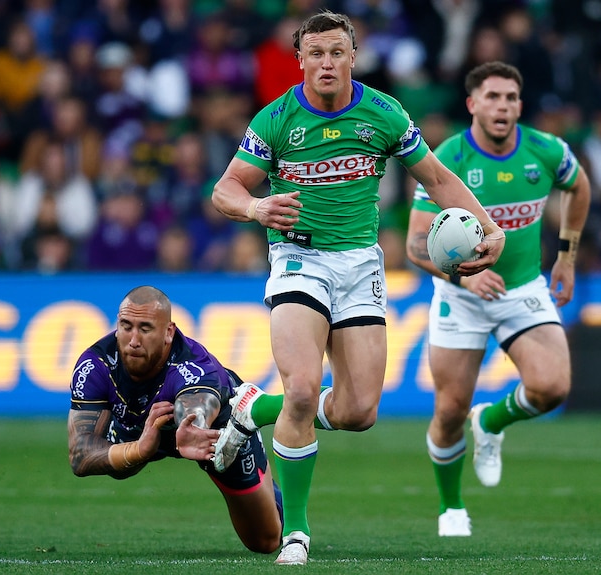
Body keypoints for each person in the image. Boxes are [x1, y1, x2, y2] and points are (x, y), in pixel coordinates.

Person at [210, 11, 505, 565]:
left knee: (358, 411)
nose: (326, 63)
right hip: (299, 259)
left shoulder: (383, 113)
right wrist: (255, 207)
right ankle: (294, 532)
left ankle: (251, 406)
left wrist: (489, 225)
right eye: (315, 53)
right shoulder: (276, 120)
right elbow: (224, 189)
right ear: (300, 58)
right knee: (303, 388)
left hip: (360, 266)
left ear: (353, 56)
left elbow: (438, 179)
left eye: (336, 53)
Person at [405, 61, 591, 537]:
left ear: (520, 105)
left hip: (522, 287)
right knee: (448, 412)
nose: (502, 106)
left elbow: (579, 186)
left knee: (553, 387)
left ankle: (491, 420)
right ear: (472, 104)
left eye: (510, 97)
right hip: (460, 295)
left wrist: (566, 257)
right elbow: (413, 245)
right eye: (492, 97)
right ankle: (452, 508)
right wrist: (465, 281)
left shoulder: (544, 150)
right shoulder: (448, 158)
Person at [66, 285, 283, 554]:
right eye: (126, 326)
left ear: (168, 332)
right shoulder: (95, 365)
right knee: (120, 469)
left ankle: (265, 482)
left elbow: (197, 403)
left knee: (265, 541)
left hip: (211, 431)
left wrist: (193, 425)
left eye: (145, 329)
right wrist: (138, 450)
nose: (133, 340)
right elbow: (80, 455)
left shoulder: (195, 365)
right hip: (140, 429)